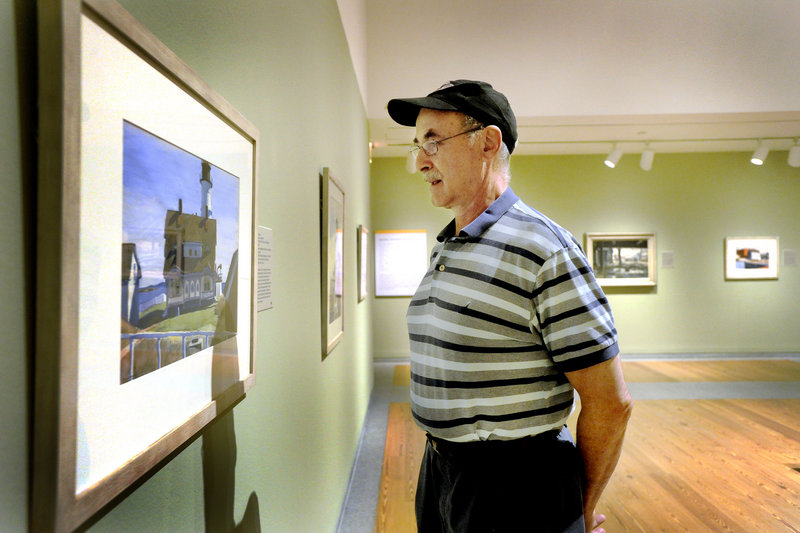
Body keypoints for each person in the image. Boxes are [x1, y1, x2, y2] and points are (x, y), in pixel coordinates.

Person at [387, 80, 633, 533]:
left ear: (488, 141)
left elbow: (610, 402)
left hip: (514, 488)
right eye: (417, 145)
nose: (420, 161)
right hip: (441, 470)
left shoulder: (544, 248)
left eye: (434, 142)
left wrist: (579, 507)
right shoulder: (449, 245)